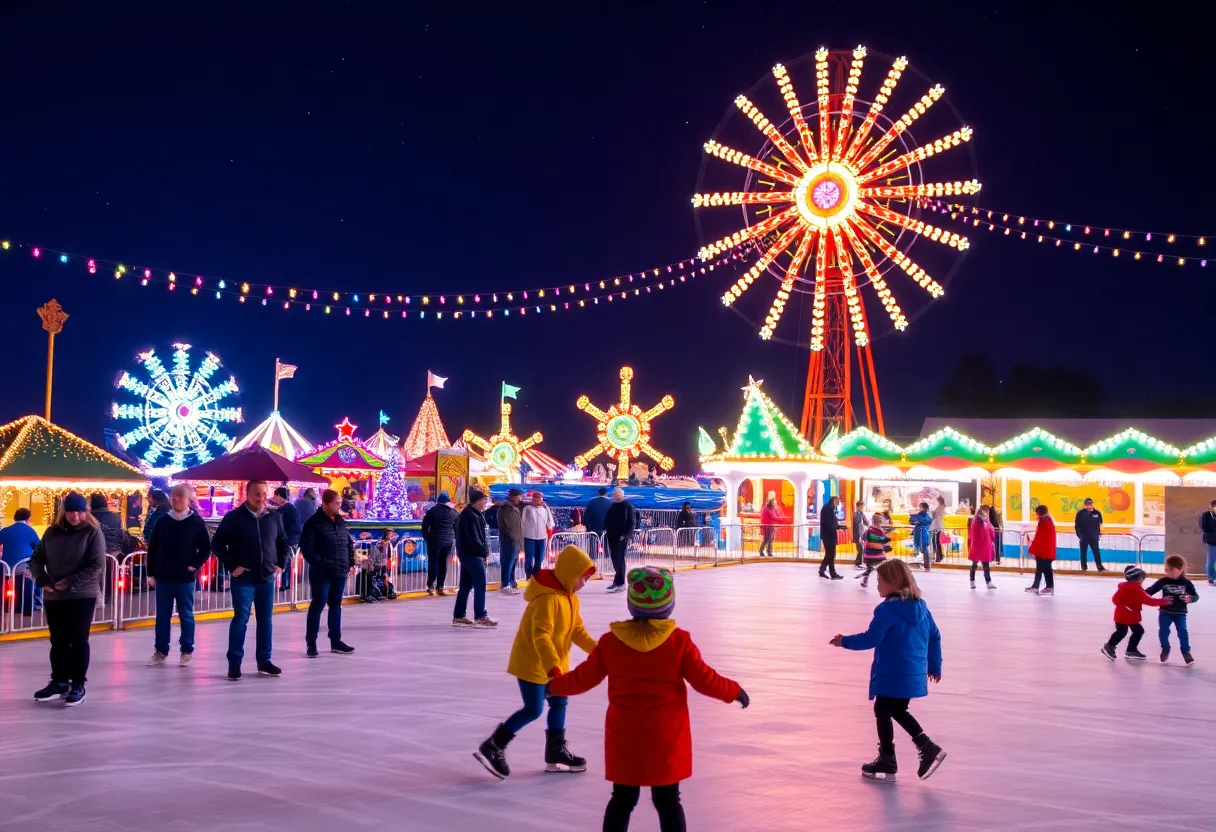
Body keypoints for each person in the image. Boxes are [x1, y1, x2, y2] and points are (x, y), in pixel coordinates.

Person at [548, 565, 749, 830]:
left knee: (622, 799)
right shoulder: (679, 642)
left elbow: (582, 678)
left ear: (632, 604)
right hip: (666, 738)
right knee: (668, 801)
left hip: (625, 737)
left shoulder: (611, 642)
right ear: (669, 605)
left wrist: (553, 686)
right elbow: (704, 679)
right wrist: (733, 690)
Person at [473, 545, 597, 780]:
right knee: (533, 709)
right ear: (570, 573)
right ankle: (493, 745)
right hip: (533, 664)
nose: (584, 584)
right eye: (582, 577)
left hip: (555, 666)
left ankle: (555, 751)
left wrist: (599, 652)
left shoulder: (571, 599)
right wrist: (552, 666)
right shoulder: (547, 600)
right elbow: (541, 636)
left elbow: (577, 631)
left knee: (560, 702)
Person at [830, 559, 946, 782]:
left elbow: (871, 638)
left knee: (884, 708)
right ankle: (901, 754)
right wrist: (934, 665)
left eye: (880, 580)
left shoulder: (887, 610)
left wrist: (844, 641)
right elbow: (935, 636)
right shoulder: (921, 607)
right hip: (913, 672)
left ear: (893, 582)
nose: (877, 585)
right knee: (894, 709)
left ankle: (910, 751)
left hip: (892, 672)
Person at [29, 492, 105, 707]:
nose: (75, 517)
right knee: (58, 640)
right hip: (54, 595)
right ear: (64, 512)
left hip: (82, 594)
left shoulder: (92, 532)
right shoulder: (52, 532)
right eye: (71, 512)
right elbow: (36, 559)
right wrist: (43, 580)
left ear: (85, 512)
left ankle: (78, 683)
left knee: (79, 639)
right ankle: (59, 681)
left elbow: (96, 565)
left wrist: (71, 581)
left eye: (80, 512)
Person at [211, 480, 289, 681]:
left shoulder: (274, 517)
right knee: (241, 619)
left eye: (264, 493)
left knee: (265, 620)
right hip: (244, 578)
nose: (261, 498)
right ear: (247, 494)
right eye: (257, 494)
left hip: (266, 577)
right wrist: (233, 565)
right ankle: (234, 663)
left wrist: (280, 564)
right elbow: (218, 544)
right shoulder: (234, 518)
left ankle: (264, 661)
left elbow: (283, 543)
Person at [146, 484, 211, 667]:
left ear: (188, 500)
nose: (175, 499)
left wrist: (194, 565)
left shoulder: (196, 522)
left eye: (180, 496)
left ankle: (186, 649)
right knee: (162, 615)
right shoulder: (163, 521)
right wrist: (151, 573)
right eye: (173, 496)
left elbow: (206, 548)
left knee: (186, 615)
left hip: (185, 578)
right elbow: (153, 549)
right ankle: (160, 650)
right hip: (164, 577)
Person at [298, 488, 356, 657]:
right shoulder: (314, 522)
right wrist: (320, 562)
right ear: (326, 503)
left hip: (340, 570)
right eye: (336, 503)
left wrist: (350, 562)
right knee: (318, 604)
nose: (339, 506)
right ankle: (311, 643)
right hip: (322, 573)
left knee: (336, 605)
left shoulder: (340, 522)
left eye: (340, 503)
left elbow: (347, 543)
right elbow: (307, 547)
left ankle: (335, 640)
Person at [1101, 565, 1173, 661]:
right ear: (1139, 578)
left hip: (1123, 615)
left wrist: (1122, 607)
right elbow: (1150, 601)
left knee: (1132, 631)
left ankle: (1129, 650)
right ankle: (1111, 646)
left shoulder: (1124, 587)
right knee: (1127, 631)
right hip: (1127, 616)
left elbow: (1115, 599)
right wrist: (1164, 601)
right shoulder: (1136, 590)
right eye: (1143, 577)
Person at [453, 488, 496, 628]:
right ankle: (480, 615)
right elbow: (474, 537)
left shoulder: (474, 514)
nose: (485, 503)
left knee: (466, 585)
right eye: (484, 501)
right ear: (477, 501)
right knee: (480, 583)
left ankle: (459, 615)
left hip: (469, 553)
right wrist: (483, 552)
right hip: (471, 554)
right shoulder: (469, 515)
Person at [1146, 555, 1199, 664]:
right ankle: (1165, 648)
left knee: (1182, 632)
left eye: (1171, 569)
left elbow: (1195, 596)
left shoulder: (1186, 583)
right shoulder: (1163, 581)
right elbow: (1149, 592)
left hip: (1180, 613)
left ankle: (1186, 652)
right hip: (1165, 612)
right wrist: (1135, 590)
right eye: (1166, 569)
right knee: (1163, 631)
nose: (1167, 571)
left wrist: (1190, 598)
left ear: (1180, 569)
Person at [1, 507, 44, 612]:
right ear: (28, 519)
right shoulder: (30, 531)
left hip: (6, 567)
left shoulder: (5, 530)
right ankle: (36, 602)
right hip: (23, 567)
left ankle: (6, 605)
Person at [421, 491, 458, 596]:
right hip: (448, 541)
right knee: (443, 563)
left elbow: (425, 526)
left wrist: (427, 538)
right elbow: (457, 528)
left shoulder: (431, 511)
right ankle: (440, 586)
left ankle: (430, 585)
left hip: (434, 540)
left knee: (433, 562)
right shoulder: (454, 513)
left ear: (438, 501)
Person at [604, 487, 637, 592]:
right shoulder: (613, 506)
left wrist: (627, 535)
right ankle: (617, 580)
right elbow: (608, 520)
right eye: (615, 493)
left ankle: (621, 583)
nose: (616, 495)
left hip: (622, 537)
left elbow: (631, 522)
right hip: (612, 536)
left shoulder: (627, 506)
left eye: (618, 493)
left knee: (620, 559)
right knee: (614, 559)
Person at [270, 487, 302, 592]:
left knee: (285, 561)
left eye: (275, 496)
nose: (274, 499)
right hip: (293, 539)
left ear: (279, 496)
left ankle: (284, 584)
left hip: (289, 540)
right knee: (287, 562)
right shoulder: (290, 508)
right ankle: (286, 583)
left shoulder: (284, 510)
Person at [496, 488, 524, 595]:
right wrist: (512, 536)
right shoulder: (505, 508)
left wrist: (519, 540)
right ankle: (505, 584)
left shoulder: (514, 508)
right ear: (513, 496)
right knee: (508, 562)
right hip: (509, 541)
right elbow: (503, 525)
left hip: (516, 541)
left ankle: (512, 583)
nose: (520, 499)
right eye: (518, 497)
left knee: (513, 563)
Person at [521, 491, 554, 579]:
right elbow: (522, 522)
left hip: (541, 537)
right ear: (532, 499)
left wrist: (546, 507)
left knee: (539, 557)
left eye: (539, 498)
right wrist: (522, 534)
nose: (537, 500)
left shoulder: (545, 509)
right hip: (529, 537)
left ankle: (536, 575)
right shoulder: (527, 508)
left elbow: (550, 522)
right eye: (535, 498)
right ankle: (528, 575)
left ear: (542, 499)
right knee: (529, 556)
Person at [1025, 505, 1057, 596]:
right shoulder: (1049, 520)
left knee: (1042, 569)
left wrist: (1032, 548)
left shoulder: (1043, 522)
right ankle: (1043, 586)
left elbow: (1039, 537)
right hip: (1048, 550)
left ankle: (1044, 586)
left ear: (1039, 513)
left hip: (1043, 551)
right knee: (1045, 569)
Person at [967, 506, 997, 590]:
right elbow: (982, 533)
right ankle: (972, 580)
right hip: (978, 546)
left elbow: (989, 531)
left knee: (985, 565)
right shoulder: (977, 521)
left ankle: (988, 582)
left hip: (983, 546)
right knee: (975, 564)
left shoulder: (985, 520)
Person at [858, 518, 891, 589]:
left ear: (873, 522)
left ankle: (865, 579)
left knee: (870, 568)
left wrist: (866, 545)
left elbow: (861, 540)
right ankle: (885, 582)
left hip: (868, 555)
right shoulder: (881, 532)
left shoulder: (868, 531)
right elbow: (886, 542)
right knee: (883, 568)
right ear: (880, 522)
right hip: (879, 556)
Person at [1074, 497, 1106, 572]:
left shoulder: (1097, 513)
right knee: (1083, 552)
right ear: (1085, 505)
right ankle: (1084, 567)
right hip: (1084, 536)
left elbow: (1101, 524)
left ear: (1092, 504)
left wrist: (1098, 534)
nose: (1089, 506)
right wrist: (1079, 536)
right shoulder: (1080, 514)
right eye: (1087, 504)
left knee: (1096, 552)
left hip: (1094, 537)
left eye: (1090, 504)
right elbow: (1077, 525)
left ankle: (1099, 566)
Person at [819, 496, 842, 579]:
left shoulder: (830, 509)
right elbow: (828, 523)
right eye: (837, 502)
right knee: (830, 555)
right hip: (828, 536)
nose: (838, 504)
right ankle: (827, 571)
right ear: (833, 501)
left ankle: (825, 570)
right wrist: (836, 527)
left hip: (830, 535)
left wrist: (839, 527)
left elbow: (832, 523)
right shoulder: (827, 509)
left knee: (830, 555)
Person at [909, 502, 933, 571]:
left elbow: (913, 520)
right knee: (924, 548)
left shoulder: (923, 515)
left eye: (921, 507)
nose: (920, 508)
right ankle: (926, 565)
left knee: (924, 548)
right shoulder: (927, 515)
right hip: (923, 532)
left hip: (922, 533)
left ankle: (926, 564)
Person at [1201, 500, 1216, 587]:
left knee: (1212, 559)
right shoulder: (1206, 515)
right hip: (1211, 540)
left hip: (1211, 538)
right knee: (1211, 559)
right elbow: (1204, 528)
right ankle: (1211, 578)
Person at [852, 501, 869, 569]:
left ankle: (858, 562)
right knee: (860, 549)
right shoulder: (856, 514)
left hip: (862, 534)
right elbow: (857, 526)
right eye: (861, 506)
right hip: (858, 535)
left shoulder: (862, 514)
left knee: (862, 549)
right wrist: (859, 536)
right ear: (858, 506)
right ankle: (858, 563)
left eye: (863, 506)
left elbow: (866, 523)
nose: (862, 507)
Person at [929, 496, 946, 564]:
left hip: (937, 527)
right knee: (936, 541)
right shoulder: (941, 507)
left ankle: (938, 556)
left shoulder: (940, 507)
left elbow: (937, 517)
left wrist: (933, 513)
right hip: (938, 526)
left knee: (936, 541)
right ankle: (939, 556)